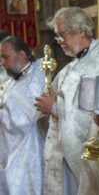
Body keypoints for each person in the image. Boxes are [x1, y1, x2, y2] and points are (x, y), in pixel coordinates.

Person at [34, 7, 99, 195]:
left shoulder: (98, 65)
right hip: (63, 152)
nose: (59, 42)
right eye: (57, 37)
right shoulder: (75, 65)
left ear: (81, 30)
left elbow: (88, 115)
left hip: (82, 158)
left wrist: (55, 107)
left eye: (62, 34)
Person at [0, 36, 45, 195]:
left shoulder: (38, 76)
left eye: (5, 57)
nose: (2, 62)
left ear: (21, 55)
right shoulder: (12, 81)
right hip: (9, 151)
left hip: (28, 153)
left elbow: (25, 120)